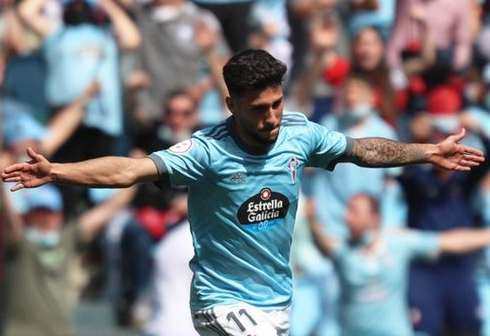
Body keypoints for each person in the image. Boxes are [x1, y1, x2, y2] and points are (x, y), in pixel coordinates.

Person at [1, 49, 485, 335]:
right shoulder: (206, 152)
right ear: (231, 103)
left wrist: (427, 151)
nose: (270, 118)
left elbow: (364, 149)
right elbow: (129, 169)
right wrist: (59, 172)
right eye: (258, 109)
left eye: (276, 104)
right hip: (219, 299)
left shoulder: (300, 134)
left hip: (276, 300)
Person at [306, 192, 490, 336]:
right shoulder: (344, 252)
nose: (347, 217)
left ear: (375, 217)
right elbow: (323, 243)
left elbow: (448, 241)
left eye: (354, 212)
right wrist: (311, 218)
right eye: (347, 211)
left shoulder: (397, 243)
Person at [0, 157, 137, 336]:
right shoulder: (19, 242)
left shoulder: (68, 239)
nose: (44, 218)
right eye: (39, 211)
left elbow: (110, 208)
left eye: (49, 211)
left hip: (60, 331)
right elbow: (8, 213)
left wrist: (135, 170)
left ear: (59, 215)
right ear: (29, 215)